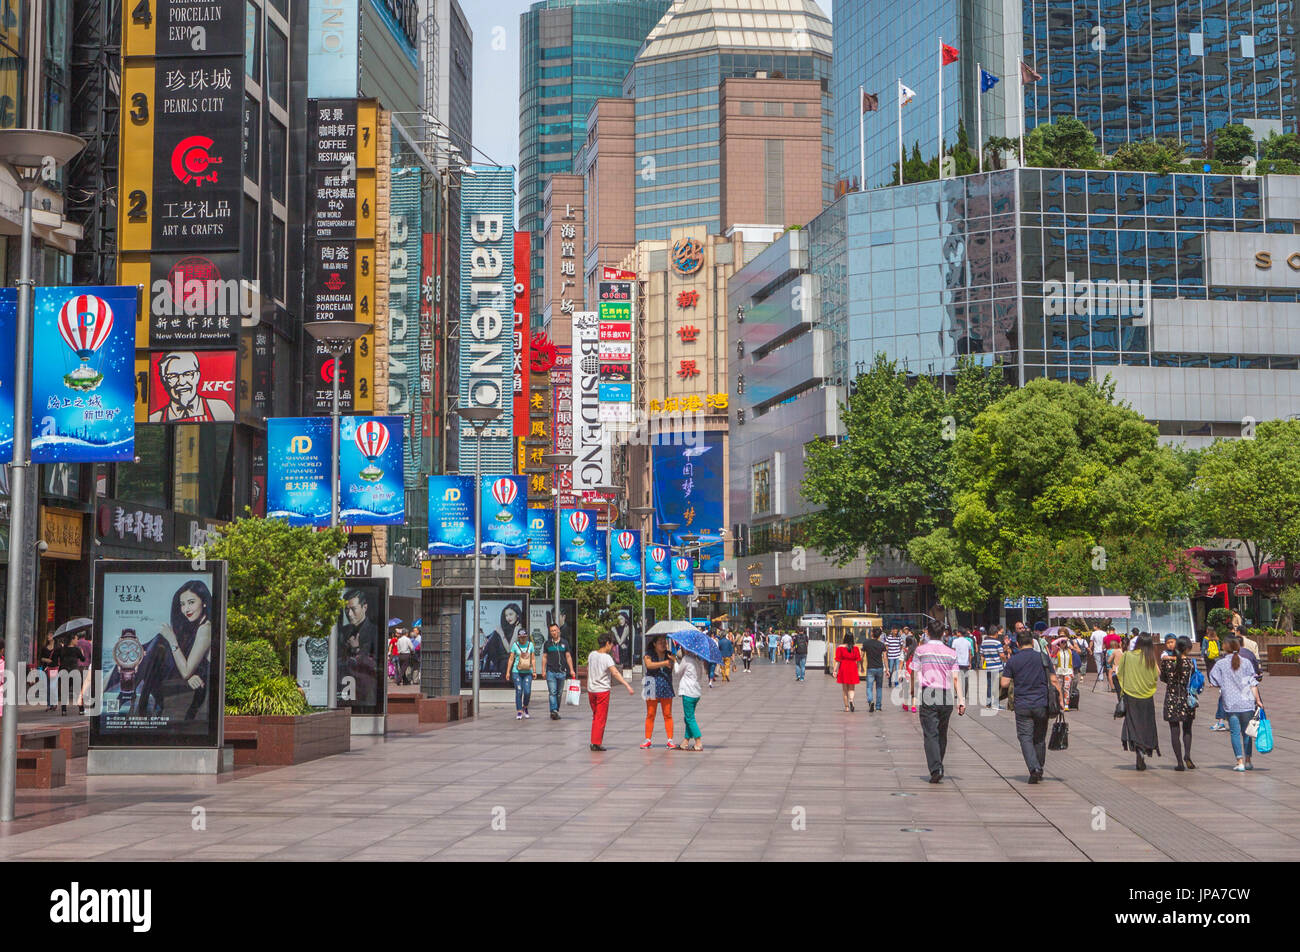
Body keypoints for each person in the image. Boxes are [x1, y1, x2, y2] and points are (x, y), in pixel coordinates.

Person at [1000, 628, 1059, 783]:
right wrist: (1060, 701)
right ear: (1033, 642)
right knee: (1039, 738)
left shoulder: (1014, 660)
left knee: (1025, 737)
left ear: (1018, 644)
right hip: (1042, 703)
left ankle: (1034, 768)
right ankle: (1039, 766)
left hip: (1022, 704)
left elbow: (1004, 683)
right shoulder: (1043, 657)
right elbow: (1053, 680)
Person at [914, 620, 966, 783]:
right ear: (944, 633)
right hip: (946, 695)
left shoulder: (921, 650)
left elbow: (915, 673)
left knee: (930, 733)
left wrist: (913, 694)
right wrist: (961, 700)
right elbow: (956, 678)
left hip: (928, 693)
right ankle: (938, 764)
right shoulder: (951, 653)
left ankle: (936, 768)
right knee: (942, 733)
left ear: (927, 633)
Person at [1207, 638, 1263, 772]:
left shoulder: (1221, 664)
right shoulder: (1247, 662)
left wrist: (1224, 685)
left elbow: (1213, 680)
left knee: (1235, 733)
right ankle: (1248, 760)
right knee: (1247, 733)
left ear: (1225, 648)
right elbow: (1253, 682)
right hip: (1247, 702)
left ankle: (1240, 761)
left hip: (1231, 703)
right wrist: (1258, 700)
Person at [148, 351, 236, 422]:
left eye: (188, 374)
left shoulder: (219, 408)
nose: (181, 382)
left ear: (197, 376)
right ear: (164, 380)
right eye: (173, 376)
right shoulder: (155, 418)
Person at [1117, 633, 1161, 771]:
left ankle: (1139, 749)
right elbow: (1155, 676)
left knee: (1134, 724)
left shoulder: (1127, 656)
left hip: (1131, 695)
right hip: (1147, 696)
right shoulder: (1150, 658)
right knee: (1146, 724)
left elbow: (1119, 674)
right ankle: (1144, 748)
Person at [587, 633, 633, 751]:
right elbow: (615, 673)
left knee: (596, 716)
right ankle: (596, 743)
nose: (612, 647)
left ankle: (594, 740)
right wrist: (627, 685)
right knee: (600, 717)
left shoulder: (592, 655)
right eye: (611, 644)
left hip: (591, 690)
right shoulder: (607, 658)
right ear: (607, 643)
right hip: (602, 690)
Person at [1159, 636, 1198, 771]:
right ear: (1187, 648)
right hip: (1187, 699)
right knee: (1187, 729)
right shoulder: (1191, 662)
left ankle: (1179, 762)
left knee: (1174, 731)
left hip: (1172, 698)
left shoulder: (1166, 662)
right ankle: (1187, 755)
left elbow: (1163, 678)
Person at [339, 588, 379, 706]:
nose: (349, 614)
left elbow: (375, 661)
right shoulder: (344, 631)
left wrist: (356, 649)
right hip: (345, 684)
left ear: (364, 607)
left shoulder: (374, 631)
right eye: (347, 609)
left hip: (365, 686)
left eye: (353, 609)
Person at [641, 634, 676, 749]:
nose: (663, 644)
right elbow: (649, 665)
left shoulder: (669, 654)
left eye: (664, 642)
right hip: (651, 684)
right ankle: (647, 739)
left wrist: (672, 661)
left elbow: (672, 666)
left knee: (668, 714)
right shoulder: (648, 654)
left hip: (665, 684)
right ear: (654, 644)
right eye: (660, 642)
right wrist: (664, 663)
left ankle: (670, 740)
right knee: (650, 714)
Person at [674, 642, 708, 751]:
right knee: (688, 717)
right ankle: (685, 741)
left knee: (690, 718)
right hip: (696, 692)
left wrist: (675, 661)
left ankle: (698, 742)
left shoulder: (686, 659)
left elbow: (678, 672)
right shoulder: (698, 660)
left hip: (688, 692)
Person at [540, 624, 576, 720]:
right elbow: (544, 657)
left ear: (559, 631)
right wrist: (543, 670)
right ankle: (553, 710)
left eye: (555, 630)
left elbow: (568, 657)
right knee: (552, 692)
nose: (554, 632)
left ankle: (556, 709)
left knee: (559, 693)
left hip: (562, 672)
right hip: (551, 671)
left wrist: (571, 670)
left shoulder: (565, 643)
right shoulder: (547, 643)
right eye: (552, 631)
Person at [506, 628, 536, 719]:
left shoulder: (530, 645)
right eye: (521, 637)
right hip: (517, 672)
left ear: (526, 637)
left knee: (527, 691)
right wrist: (508, 672)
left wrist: (534, 671)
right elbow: (511, 659)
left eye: (524, 637)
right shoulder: (515, 645)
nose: (522, 639)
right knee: (519, 691)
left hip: (528, 672)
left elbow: (533, 659)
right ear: (518, 637)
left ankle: (525, 707)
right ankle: (519, 711)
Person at [54, 635, 85, 716]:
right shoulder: (76, 649)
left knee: (64, 691)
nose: (77, 641)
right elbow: (83, 659)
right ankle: (81, 709)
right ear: (72, 640)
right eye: (76, 639)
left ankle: (64, 710)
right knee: (78, 691)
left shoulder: (62, 649)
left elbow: (55, 658)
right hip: (74, 671)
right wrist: (81, 652)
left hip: (64, 671)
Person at [833, 633, 863, 712]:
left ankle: (846, 707)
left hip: (844, 668)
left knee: (845, 689)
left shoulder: (840, 648)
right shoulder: (856, 648)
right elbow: (858, 660)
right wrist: (859, 669)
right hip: (853, 668)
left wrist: (835, 671)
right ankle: (851, 700)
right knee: (852, 688)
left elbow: (837, 661)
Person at [980, 625, 1005, 710]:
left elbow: (982, 655)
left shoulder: (984, 642)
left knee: (989, 686)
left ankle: (988, 703)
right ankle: (996, 704)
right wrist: (1005, 659)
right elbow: (1001, 655)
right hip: (997, 667)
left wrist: (982, 664)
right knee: (997, 686)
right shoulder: (997, 643)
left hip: (988, 667)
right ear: (995, 633)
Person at [862, 630, 886, 712]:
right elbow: (885, 657)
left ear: (872, 634)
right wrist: (887, 669)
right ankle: (878, 707)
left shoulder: (866, 643)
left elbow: (861, 656)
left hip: (870, 668)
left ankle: (870, 701)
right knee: (879, 687)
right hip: (879, 668)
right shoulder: (882, 645)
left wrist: (861, 666)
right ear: (879, 635)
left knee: (869, 687)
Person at [952, 627, 976, 709]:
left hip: (956, 662)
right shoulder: (968, 641)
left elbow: (953, 652)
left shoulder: (955, 641)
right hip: (965, 663)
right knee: (965, 679)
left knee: (956, 679)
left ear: (959, 633)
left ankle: (958, 694)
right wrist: (970, 662)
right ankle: (964, 695)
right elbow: (970, 653)